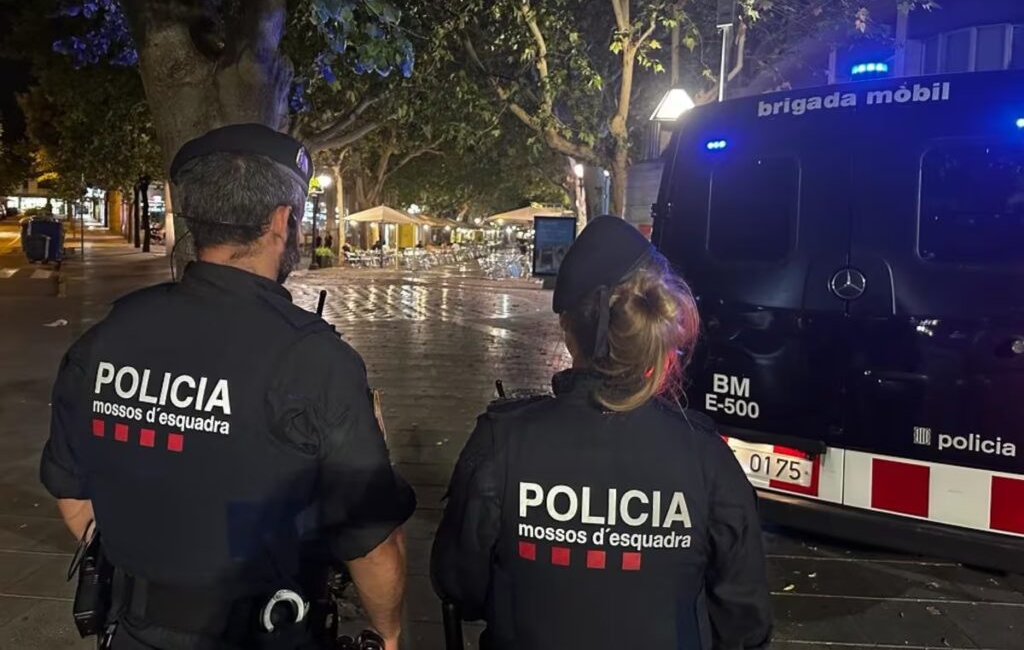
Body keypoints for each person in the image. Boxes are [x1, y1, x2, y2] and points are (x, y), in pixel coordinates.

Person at [40, 124, 415, 650]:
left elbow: (72, 493)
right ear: (281, 221)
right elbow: (372, 545)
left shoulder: (106, 337)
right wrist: (390, 636)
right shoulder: (315, 361)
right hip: (266, 634)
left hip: (131, 631)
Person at [431, 215, 772, 650]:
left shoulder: (503, 441)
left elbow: (459, 585)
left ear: (567, 329)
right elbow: (744, 621)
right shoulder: (707, 457)